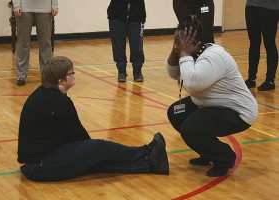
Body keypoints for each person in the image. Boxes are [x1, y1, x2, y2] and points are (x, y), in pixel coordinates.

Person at [17, 56, 169, 181]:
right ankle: (145, 152)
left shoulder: (46, 93)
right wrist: (92, 151)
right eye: (71, 73)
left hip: (40, 160)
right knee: (98, 149)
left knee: (93, 161)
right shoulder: (59, 101)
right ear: (61, 80)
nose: (74, 75)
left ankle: (150, 164)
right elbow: (79, 135)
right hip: (38, 165)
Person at [166, 15, 258, 177]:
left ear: (194, 42)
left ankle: (224, 157)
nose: (177, 44)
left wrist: (184, 54)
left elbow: (194, 82)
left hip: (237, 111)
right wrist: (176, 52)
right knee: (175, 113)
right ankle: (208, 152)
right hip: (210, 104)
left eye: (180, 41)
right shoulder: (191, 52)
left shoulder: (213, 56)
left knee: (190, 128)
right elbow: (175, 74)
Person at [12, 0, 59, 86]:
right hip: (23, 8)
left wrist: (55, 4)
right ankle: (21, 75)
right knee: (22, 43)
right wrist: (16, 5)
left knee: (46, 43)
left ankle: (47, 75)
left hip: (45, 8)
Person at [107, 0, 146, 82]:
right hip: (116, 14)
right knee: (118, 45)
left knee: (137, 46)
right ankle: (121, 71)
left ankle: (137, 71)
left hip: (137, 15)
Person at [244, 0, 279, 91]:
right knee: (254, 43)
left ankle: (270, 81)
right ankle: (251, 78)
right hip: (251, 5)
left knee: (269, 43)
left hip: (270, 7)